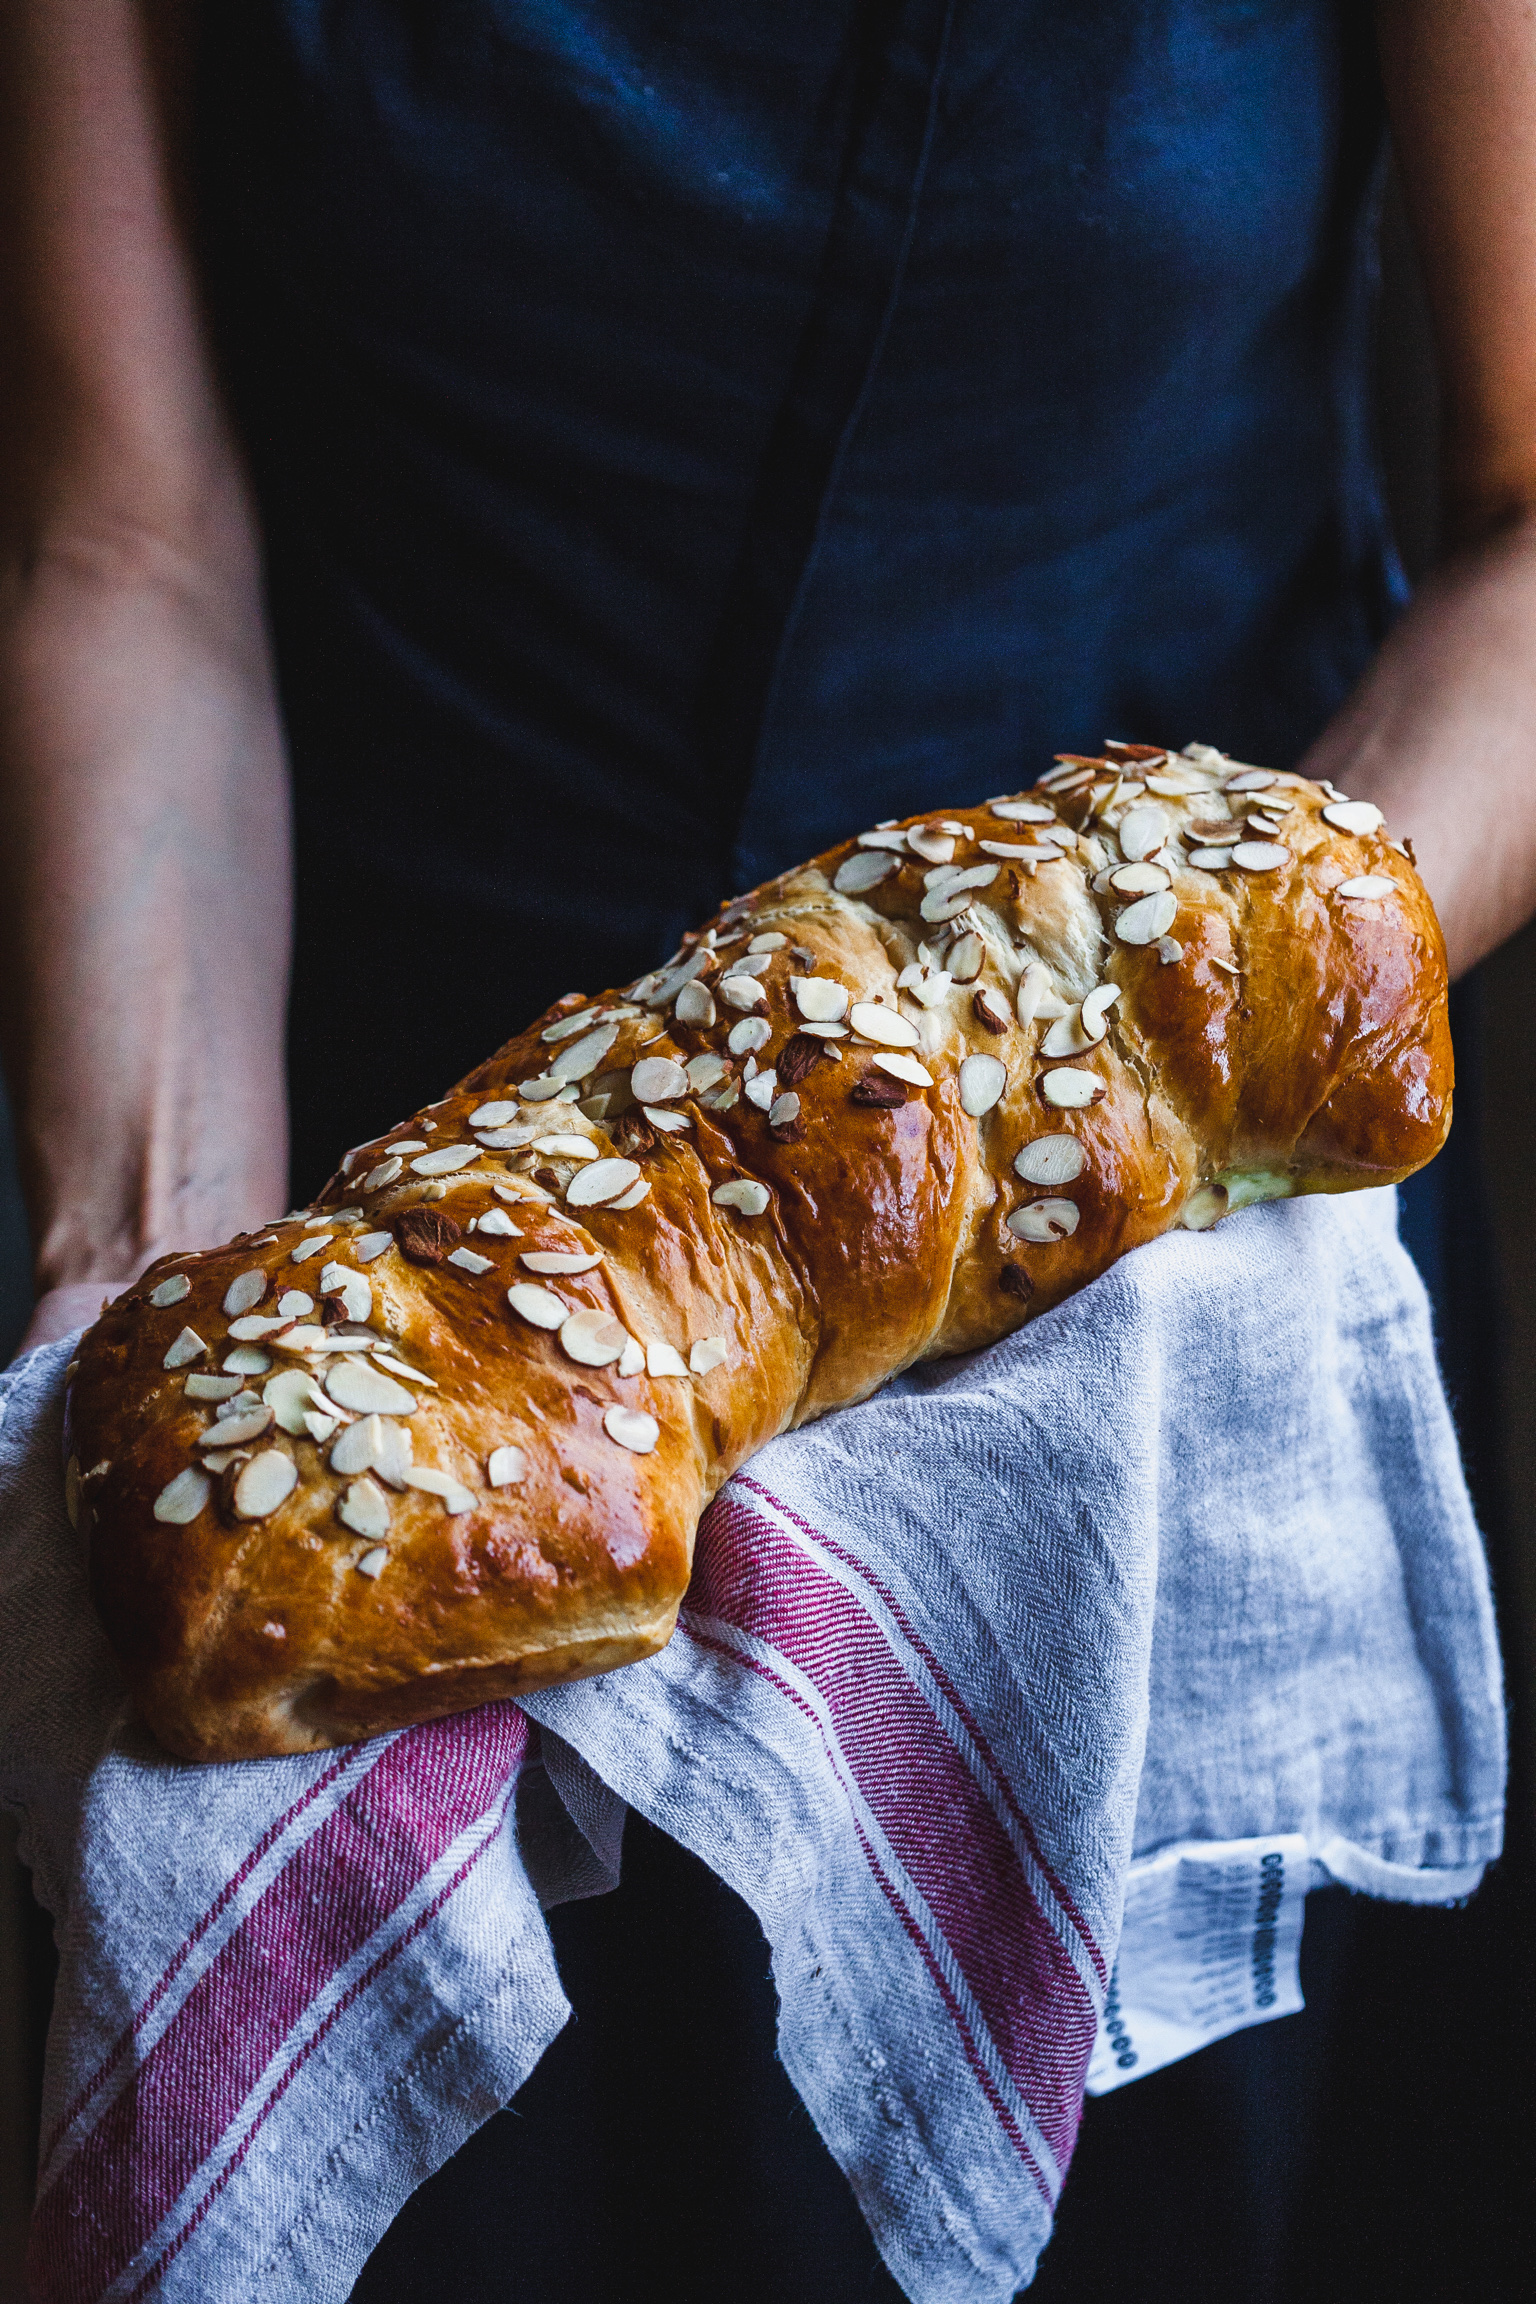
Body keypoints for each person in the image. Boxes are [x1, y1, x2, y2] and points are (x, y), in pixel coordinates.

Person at [2, 2, 1533, 2295]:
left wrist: (1171, 1022)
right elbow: (123, 530)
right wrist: (148, 1267)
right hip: (367, 1120)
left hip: (1167, 1221)